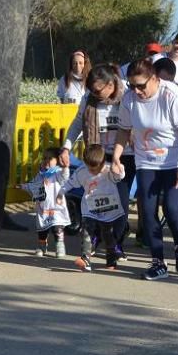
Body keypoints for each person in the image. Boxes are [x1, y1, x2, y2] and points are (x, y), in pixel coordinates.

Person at [113, 58, 178, 281]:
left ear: (155, 79)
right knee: (147, 212)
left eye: (142, 85)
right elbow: (123, 130)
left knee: (171, 207)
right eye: (132, 86)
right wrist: (116, 157)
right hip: (146, 160)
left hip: (175, 159)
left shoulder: (172, 95)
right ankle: (158, 262)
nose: (137, 91)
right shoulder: (129, 99)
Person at [60, 64, 132, 254]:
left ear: (111, 84)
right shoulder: (89, 99)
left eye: (98, 89)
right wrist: (66, 148)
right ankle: (97, 237)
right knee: (98, 199)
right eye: (91, 89)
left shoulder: (128, 94)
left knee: (120, 201)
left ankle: (115, 242)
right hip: (98, 156)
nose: (95, 93)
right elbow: (77, 123)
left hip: (126, 155)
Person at [59, 144, 125, 270]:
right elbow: (70, 183)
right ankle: (86, 259)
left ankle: (111, 259)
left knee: (108, 233)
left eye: (96, 169)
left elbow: (119, 176)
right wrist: (61, 193)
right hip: (89, 206)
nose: (94, 172)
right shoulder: (81, 171)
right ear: (85, 163)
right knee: (86, 230)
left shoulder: (107, 169)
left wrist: (119, 168)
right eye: (91, 169)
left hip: (108, 207)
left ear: (103, 162)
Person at [18, 148, 71, 257]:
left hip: (56, 208)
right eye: (44, 158)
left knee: (57, 227)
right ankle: (42, 245)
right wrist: (22, 186)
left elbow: (65, 176)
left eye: (50, 158)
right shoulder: (40, 175)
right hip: (43, 209)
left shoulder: (58, 174)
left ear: (57, 161)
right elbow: (32, 186)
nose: (46, 160)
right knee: (42, 230)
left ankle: (60, 246)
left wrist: (65, 167)